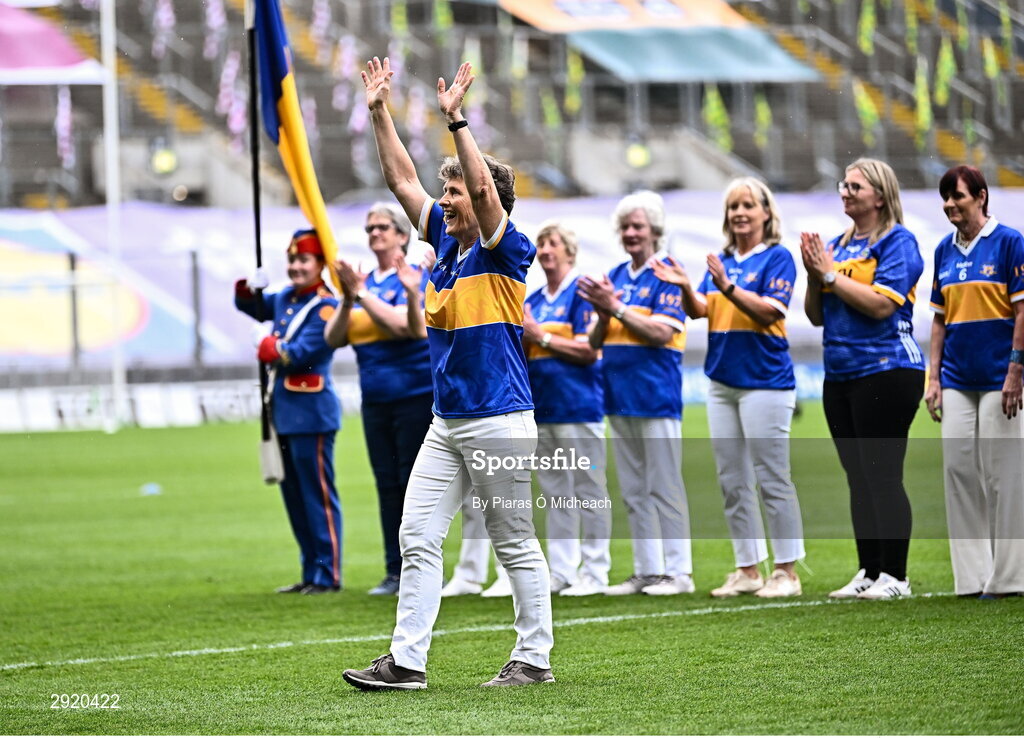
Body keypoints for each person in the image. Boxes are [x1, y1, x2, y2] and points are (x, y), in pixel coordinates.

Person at [342, 58, 554, 690]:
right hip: (448, 421)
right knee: (417, 536)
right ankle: (407, 662)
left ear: (486, 199)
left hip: (499, 417)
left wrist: (456, 118)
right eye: (450, 192)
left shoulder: (505, 247)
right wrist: (378, 109)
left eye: (457, 192)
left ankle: (533, 659)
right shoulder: (448, 241)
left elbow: (486, 193)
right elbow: (402, 178)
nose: (446, 200)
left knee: (513, 541)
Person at [651, 178, 805, 598]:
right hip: (721, 382)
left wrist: (728, 287)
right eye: (733, 206)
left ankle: (787, 572)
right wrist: (685, 286)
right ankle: (748, 570)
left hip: (765, 382)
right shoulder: (722, 259)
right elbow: (701, 310)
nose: (739, 213)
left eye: (747, 205)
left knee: (772, 477)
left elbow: (768, 312)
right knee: (732, 479)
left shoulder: (778, 257)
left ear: (766, 213)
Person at [800, 158, 925, 601]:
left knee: (883, 474)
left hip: (888, 370)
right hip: (840, 374)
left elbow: (880, 306)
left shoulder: (899, 242)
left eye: (855, 186)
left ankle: (896, 576)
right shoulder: (835, 245)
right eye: (844, 185)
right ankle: (869, 570)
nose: (846, 192)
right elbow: (815, 316)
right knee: (857, 475)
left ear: (879, 195)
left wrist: (830, 273)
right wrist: (816, 276)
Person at [578, 190, 693, 597]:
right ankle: (647, 570)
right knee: (633, 490)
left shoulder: (667, 274)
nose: (630, 233)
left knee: (664, 485)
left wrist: (618, 308)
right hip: (619, 392)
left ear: (655, 231)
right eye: (625, 227)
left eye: (637, 226)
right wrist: (605, 311)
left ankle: (679, 571)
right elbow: (595, 340)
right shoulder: (617, 276)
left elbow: (663, 333)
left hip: (655, 393)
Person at [923, 165, 1024, 599]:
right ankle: (972, 578)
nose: (950, 204)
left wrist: (1016, 370)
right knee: (958, 471)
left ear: (980, 197)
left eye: (957, 196)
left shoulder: (1010, 243)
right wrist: (933, 378)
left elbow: (1022, 312)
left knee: (1003, 476)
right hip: (957, 380)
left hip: (1001, 378)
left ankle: (1010, 579)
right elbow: (939, 321)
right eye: (945, 198)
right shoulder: (943, 250)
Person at [323, 203, 434, 596]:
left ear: (402, 235)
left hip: (415, 395)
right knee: (386, 484)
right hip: (376, 399)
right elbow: (334, 339)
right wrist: (348, 299)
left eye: (382, 227)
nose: (374, 234)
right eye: (369, 228)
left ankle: (416, 568)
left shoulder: (413, 276)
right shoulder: (364, 283)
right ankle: (395, 568)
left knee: (410, 484)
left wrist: (362, 295)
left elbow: (408, 328)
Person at [234, 229, 342, 595]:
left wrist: (266, 344)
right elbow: (251, 306)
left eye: (304, 260)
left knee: (317, 496)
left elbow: (299, 354)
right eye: (292, 260)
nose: (296, 267)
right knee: (294, 498)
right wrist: (249, 288)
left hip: (311, 413)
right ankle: (310, 571)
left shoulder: (326, 306)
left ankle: (328, 575)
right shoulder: (286, 298)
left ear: (320, 264)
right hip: (283, 413)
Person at [522, 221, 611, 597]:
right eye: (541, 244)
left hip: (579, 408)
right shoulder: (536, 299)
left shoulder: (581, 293)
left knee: (588, 489)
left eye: (552, 244)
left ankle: (595, 570)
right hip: (545, 408)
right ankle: (562, 570)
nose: (544, 251)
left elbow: (588, 351)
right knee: (556, 492)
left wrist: (539, 334)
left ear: (569, 251)